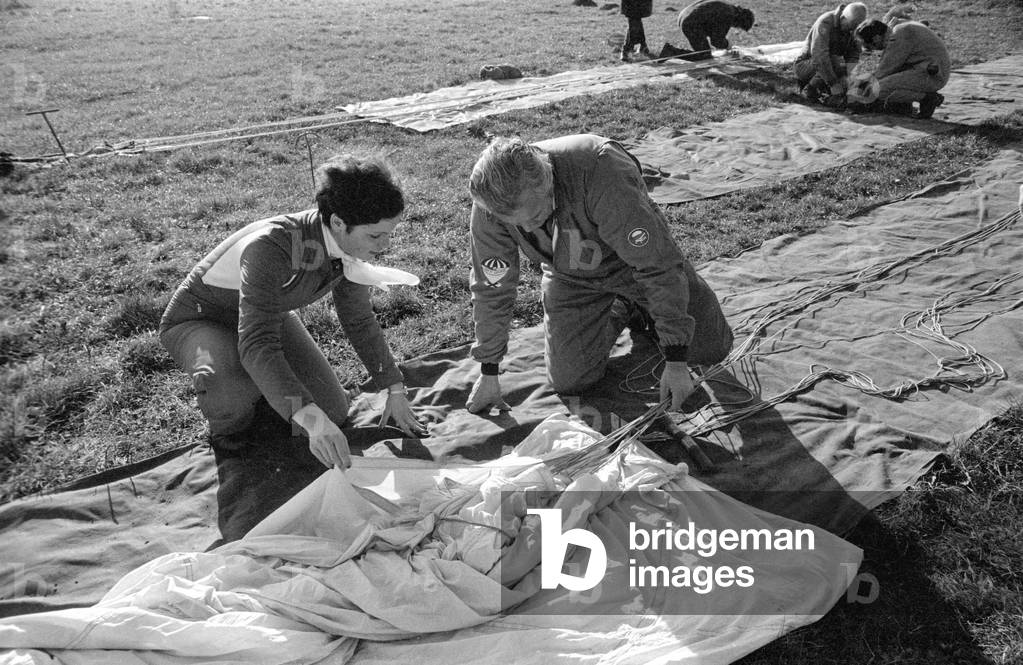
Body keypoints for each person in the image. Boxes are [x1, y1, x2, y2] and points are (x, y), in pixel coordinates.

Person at [160, 154, 426, 471]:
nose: (384, 246)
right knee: (229, 392)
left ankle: (268, 395)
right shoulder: (271, 247)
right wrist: (308, 418)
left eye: (389, 233)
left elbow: (358, 320)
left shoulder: (347, 245)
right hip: (201, 320)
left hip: (267, 314)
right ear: (338, 223)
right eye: (375, 235)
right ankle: (231, 424)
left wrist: (393, 387)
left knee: (332, 411)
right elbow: (258, 344)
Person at [465, 135, 734, 414]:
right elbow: (492, 286)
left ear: (547, 183)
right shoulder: (491, 203)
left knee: (708, 349)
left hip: (628, 264)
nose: (529, 230)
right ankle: (625, 307)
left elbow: (656, 264)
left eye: (534, 217)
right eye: (515, 224)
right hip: (570, 274)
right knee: (570, 379)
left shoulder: (602, 171)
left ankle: (639, 303)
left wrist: (676, 359)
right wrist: (489, 370)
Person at [852, 18, 949, 118]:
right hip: (927, 69)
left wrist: (860, 89)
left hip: (933, 75)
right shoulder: (897, 30)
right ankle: (913, 101)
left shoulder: (899, 36)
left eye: (868, 46)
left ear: (876, 38)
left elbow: (884, 71)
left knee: (877, 90)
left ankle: (927, 99)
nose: (872, 50)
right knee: (883, 84)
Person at [793, 3, 868, 107]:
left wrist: (847, 76)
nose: (852, 30)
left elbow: (854, 54)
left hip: (829, 66)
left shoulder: (853, 27)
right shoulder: (825, 23)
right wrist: (833, 84)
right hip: (805, 65)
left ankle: (826, 92)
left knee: (841, 67)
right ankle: (809, 89)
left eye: (855, 27)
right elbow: (819, 57)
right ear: (843, 18)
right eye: (850, 26)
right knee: (835, 61)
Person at [676, 0, 756, 60]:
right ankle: (673, 53)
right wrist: (729, 47)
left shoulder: (728, 7)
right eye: (737, 26)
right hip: (690, 23)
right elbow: (717, 41)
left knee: (704, 52)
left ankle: (675, 53)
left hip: (684, 16)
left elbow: (713, 31)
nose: (733, 27)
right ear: (739, 21)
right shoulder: (728, 15)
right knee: (705, 56)